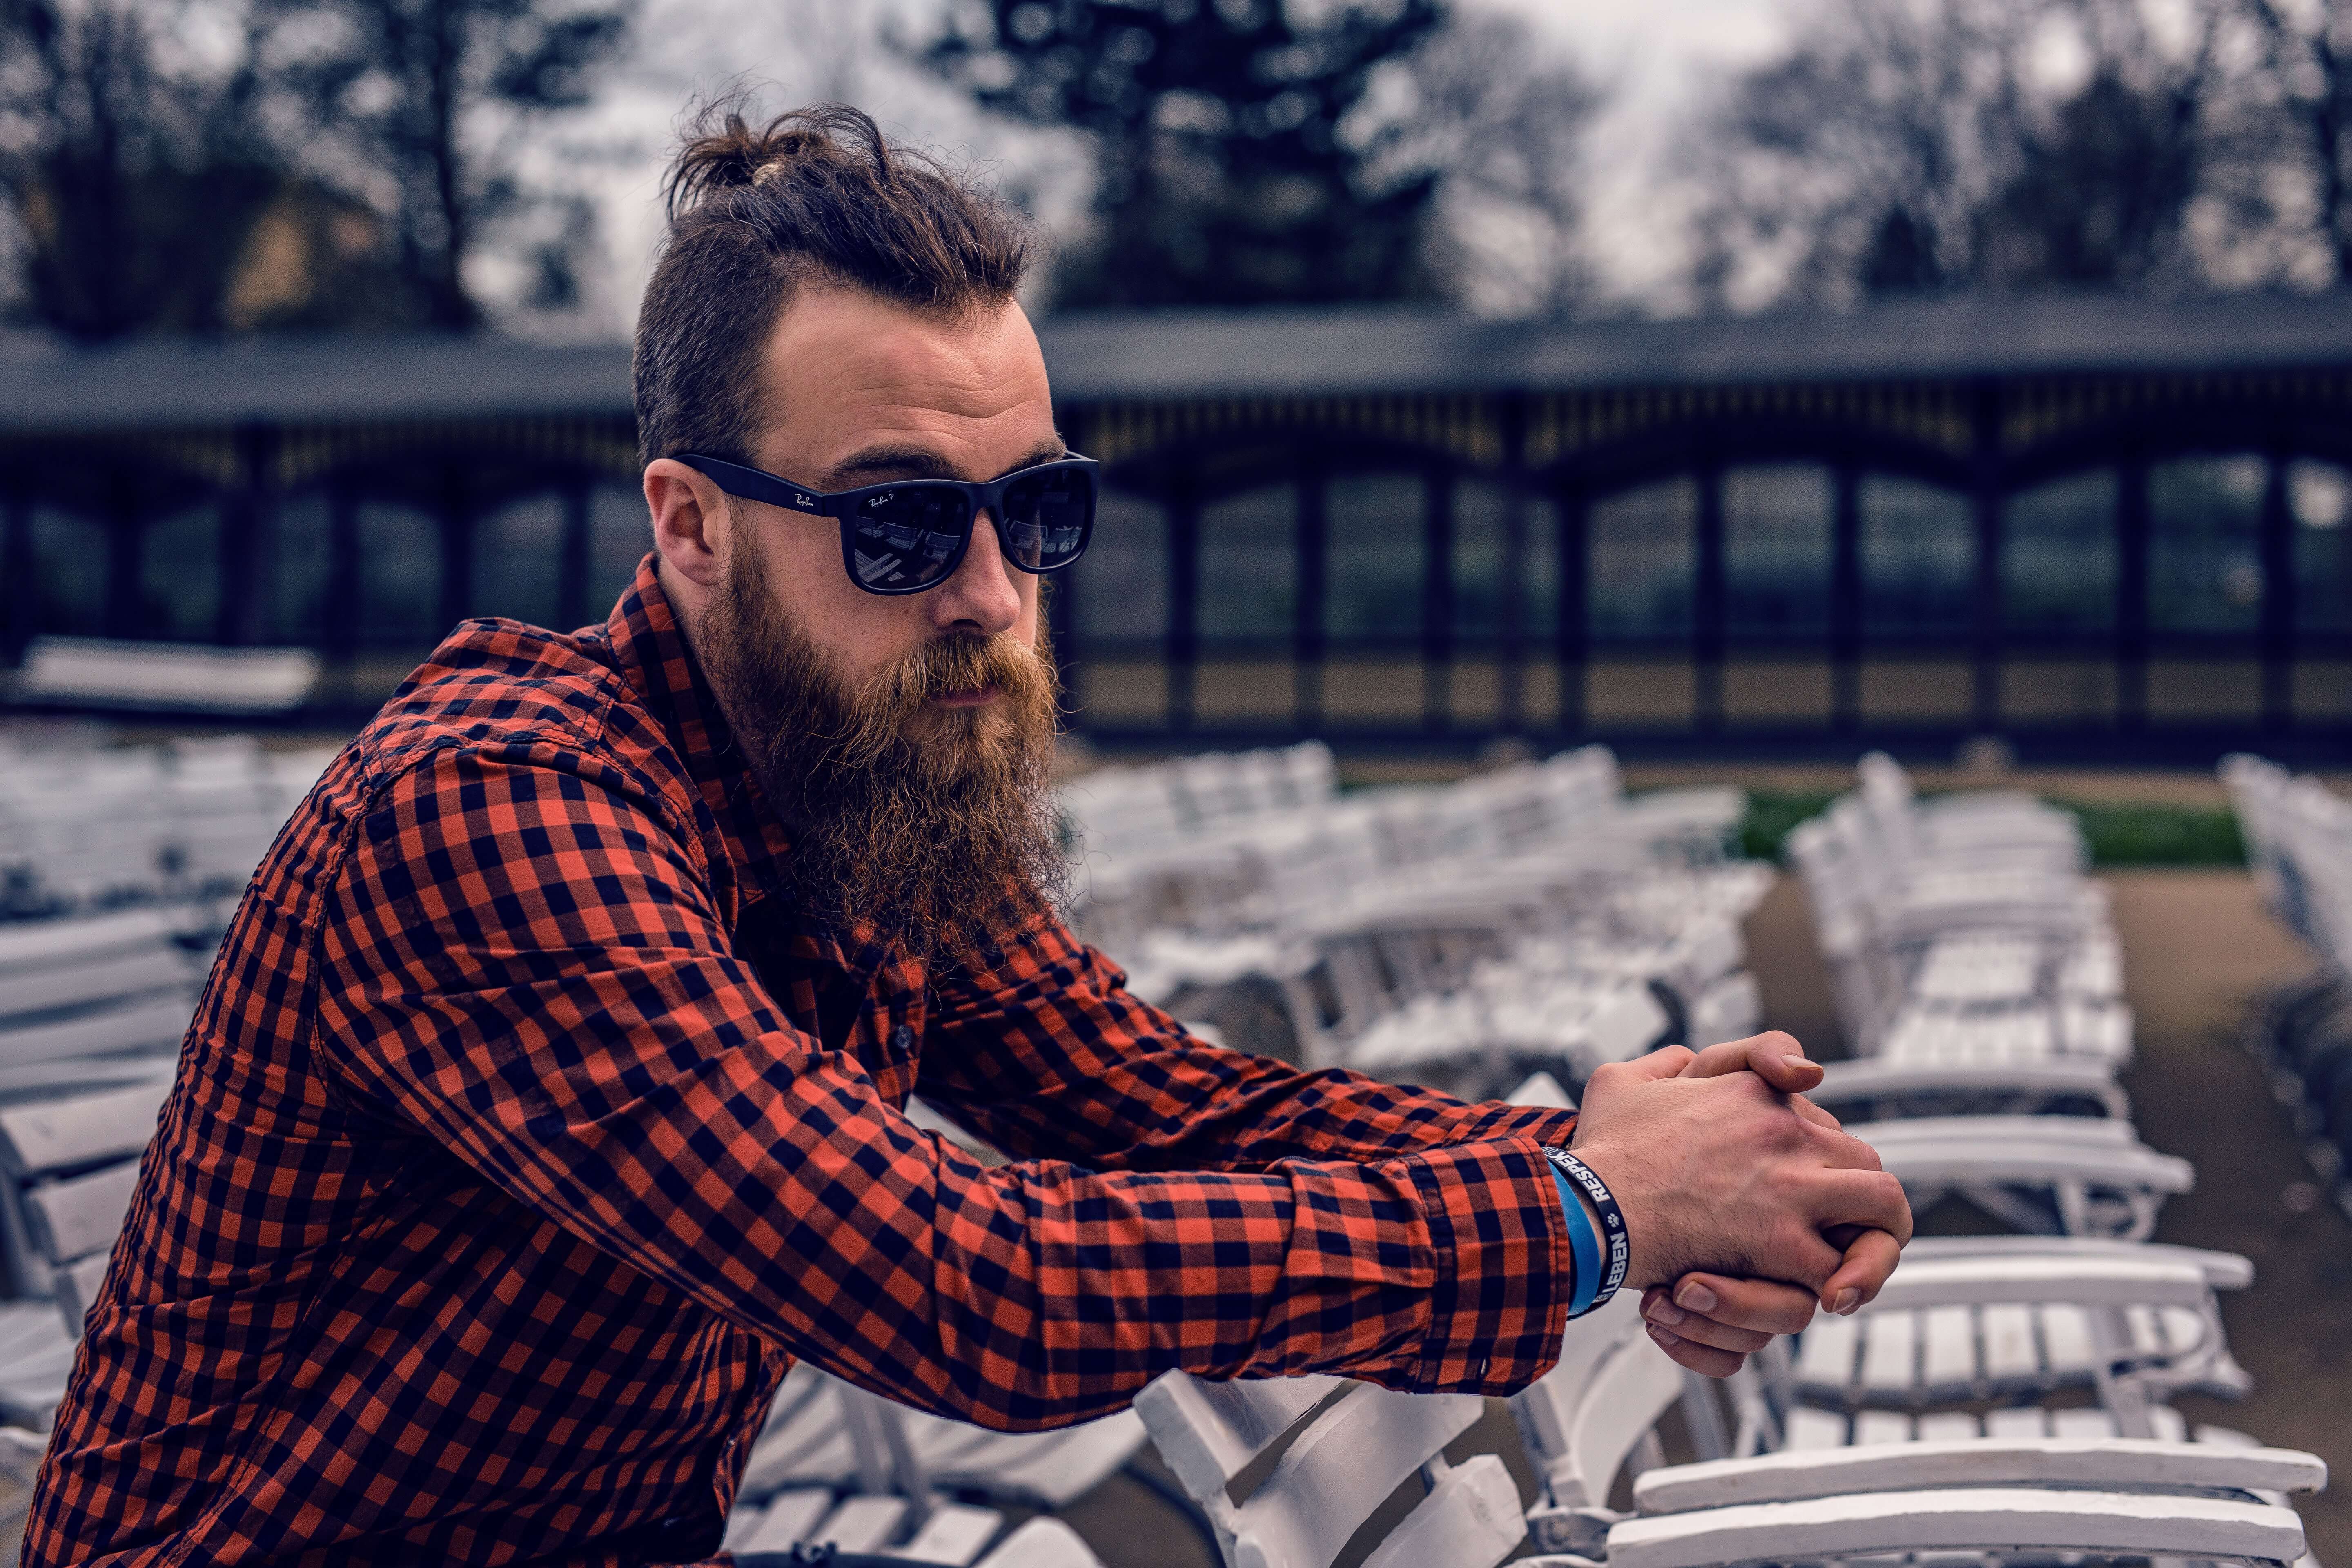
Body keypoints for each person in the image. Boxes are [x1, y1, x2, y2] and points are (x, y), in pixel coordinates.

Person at [24, 103, 1908, 1568]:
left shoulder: (863, 785)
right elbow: (964, 1284)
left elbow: (1165, 1109)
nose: (991, 599)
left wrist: (1649, 1154)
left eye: (1040, 514)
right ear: (688, 530)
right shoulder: (499, 805)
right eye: (903, 525)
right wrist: (1591, 1214)